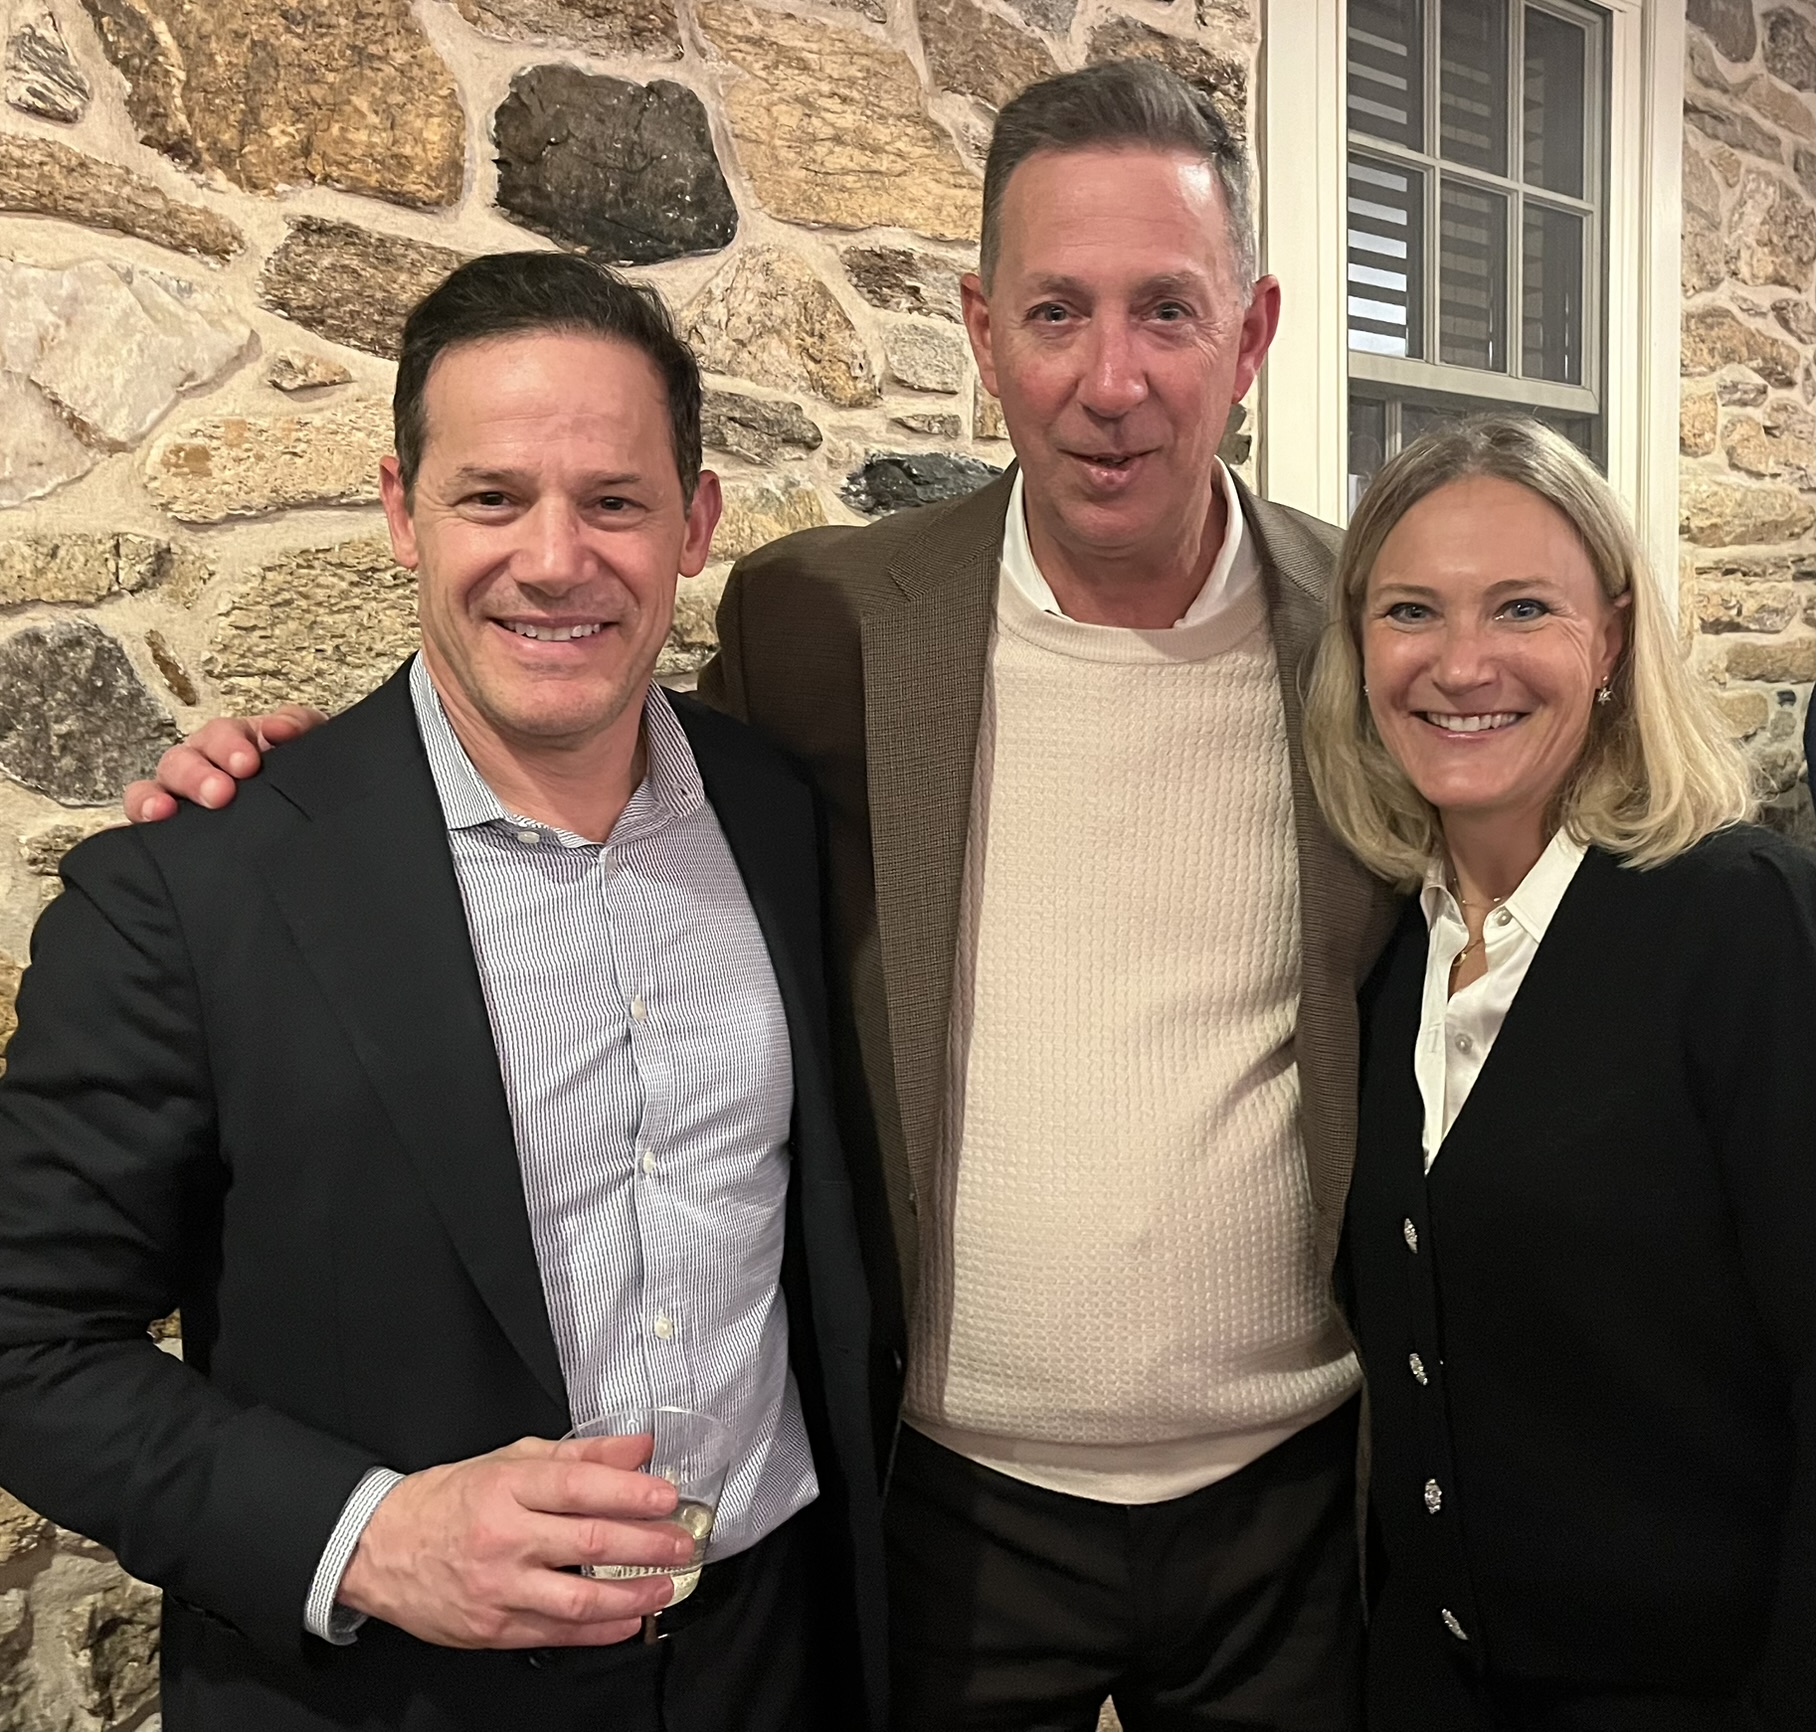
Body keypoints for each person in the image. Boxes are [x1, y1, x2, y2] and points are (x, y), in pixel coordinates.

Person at [128, 61, 1403, 1731]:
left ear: (1254, 334)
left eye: (1168, 310)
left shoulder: (1373, 633)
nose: (1112, 380)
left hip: (1294, 1498)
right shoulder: (828, 625)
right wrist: (309, 788)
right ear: (980, 331)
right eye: (1054, 312)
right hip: (942, 1505)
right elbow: (581, 719)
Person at [0, 252, 888, 1732]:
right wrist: (369, 1536)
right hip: (393, 1692)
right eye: (491, 497)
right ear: (403, 513)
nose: (555, 559)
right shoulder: (195, 884)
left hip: (770, 1658)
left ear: (696, 523)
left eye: (615, 501)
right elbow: (26, 1341)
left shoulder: (783, 813)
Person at [1303, 414, 1816, 1730]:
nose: (1461, 664)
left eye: (1522, 607)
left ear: (1613, 642)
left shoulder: (1743, 925)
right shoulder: (1383, 952)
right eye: (1411, 611)